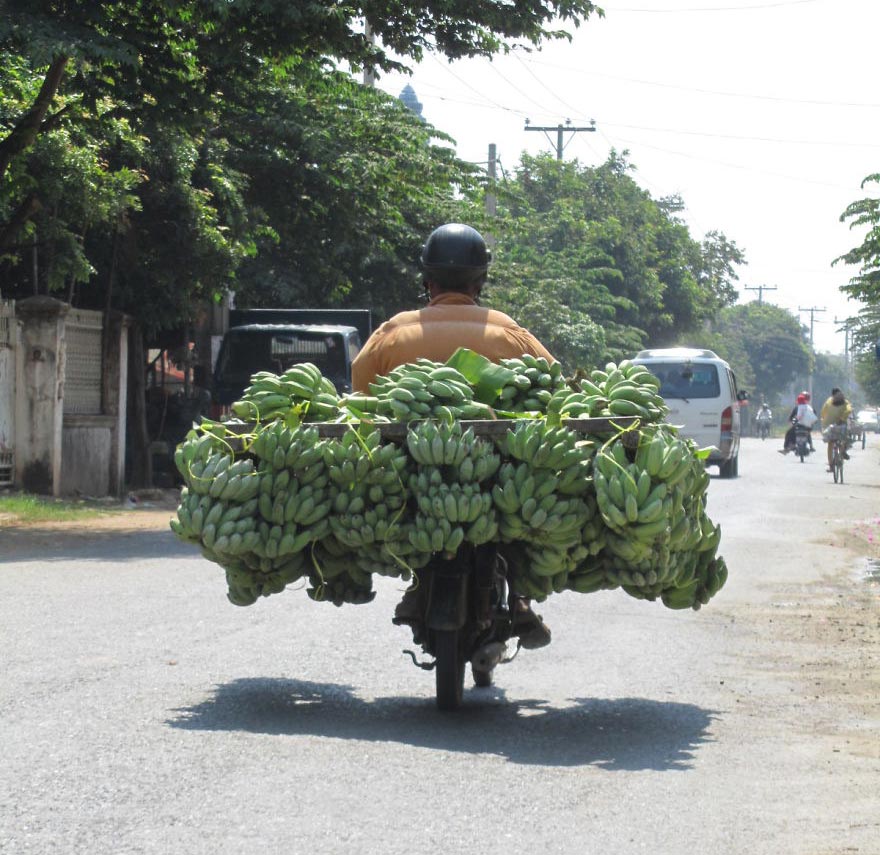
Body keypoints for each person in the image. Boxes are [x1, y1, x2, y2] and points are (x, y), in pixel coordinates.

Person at [352, 223, 555, 649]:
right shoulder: (509, 333)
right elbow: (553, 386)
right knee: (516, 509)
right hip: (497, 474)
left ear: (428, 282)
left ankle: (418, 587)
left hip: (405, 471)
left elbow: (360, 388)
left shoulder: (393, 333)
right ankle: (516, 597)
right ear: (480, 282)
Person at [820, 387, 853, 472]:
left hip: (829, 425)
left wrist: (824, 420)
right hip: (841, 424)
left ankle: (831, 466)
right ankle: (842, 451)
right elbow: (849, 410)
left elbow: (823, 412)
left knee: (830, 444)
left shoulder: (828, 401)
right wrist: (842, 418)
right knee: (843, 438)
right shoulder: (845, 401)